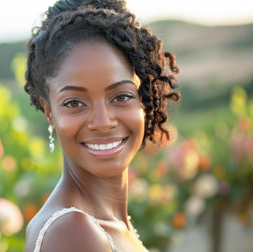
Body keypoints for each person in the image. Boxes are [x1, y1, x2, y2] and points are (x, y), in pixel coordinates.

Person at [23, 0, 180, 251]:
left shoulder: (100, 223)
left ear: (145, 98)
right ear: (49, 112)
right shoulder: (71, 232)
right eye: (74, 102)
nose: (103, 122)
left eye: (121, 96)